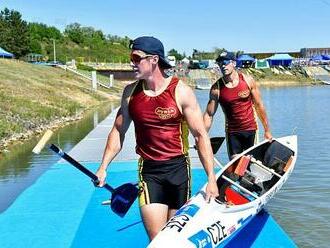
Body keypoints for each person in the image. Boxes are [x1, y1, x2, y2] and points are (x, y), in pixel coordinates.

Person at [95, 36, 219, 241]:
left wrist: (211, 180)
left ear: (154, 60)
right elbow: (118, 131)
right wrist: (103, 167)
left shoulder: (181, 92)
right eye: (131, 57)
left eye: (136, 58)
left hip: (179, 170)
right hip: (149, 172)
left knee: (175, 239)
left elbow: (200, 136)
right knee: (158, 240)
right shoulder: (130, 93)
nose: (131, 62)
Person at [203, 51, 272, 160]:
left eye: (225, 62)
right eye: (220, 63)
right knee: (236, 165)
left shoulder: (248, 81)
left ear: (234, 63)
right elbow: (209, 114)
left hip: (251, 129)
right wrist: (201, 136)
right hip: (232, 133)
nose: (223, 65)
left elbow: (259, 105)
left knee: (252, 163)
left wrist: (267, 130)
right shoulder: (216, 89)